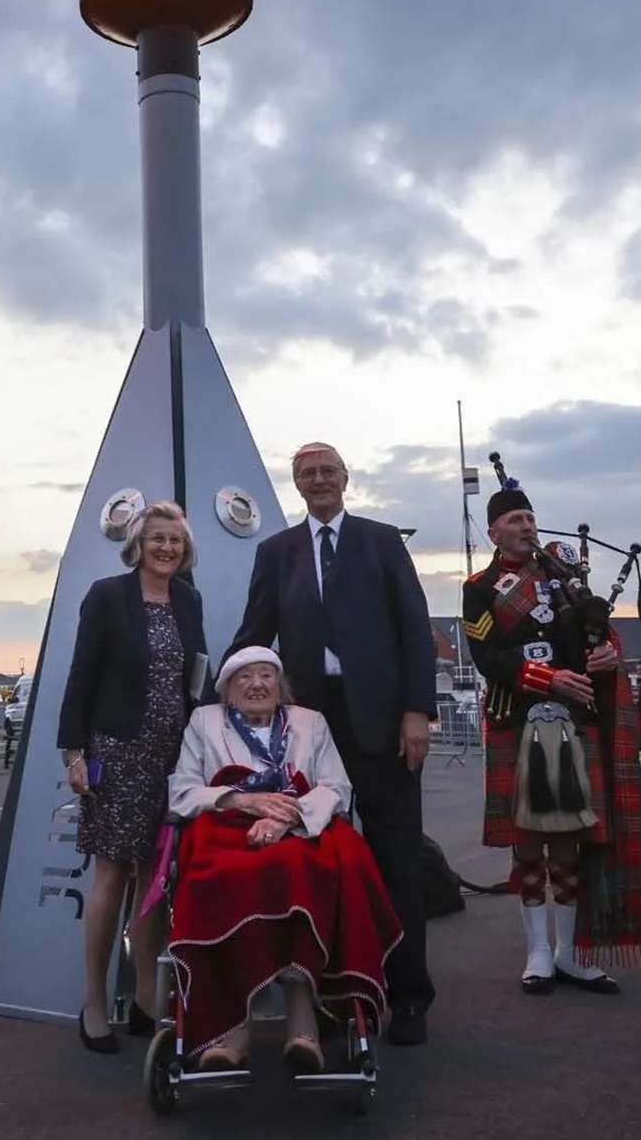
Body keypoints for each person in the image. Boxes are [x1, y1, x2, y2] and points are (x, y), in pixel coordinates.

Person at [223, 442, 436, 1045]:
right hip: (310, 733)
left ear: (346, 479)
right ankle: (335, 996)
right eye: (306, 474)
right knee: (321, 860)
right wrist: (216, 703)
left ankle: (411, 995)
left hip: (386, 726)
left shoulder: (382, 541)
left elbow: (415, 629)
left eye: (327, 471)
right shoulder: (277, 552)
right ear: (296, 485)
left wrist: (417, 710)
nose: (318, 480)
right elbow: (254, 634)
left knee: (398, 861)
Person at [463, 475, 641, 998]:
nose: (527, 526)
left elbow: (593, 633)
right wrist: (548, 678)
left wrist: (606, 654)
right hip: (519, 719)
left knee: (573, 840)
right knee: (530, 840)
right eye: (515, 520)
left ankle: (570, 954)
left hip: (576, 719)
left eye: (530, 518)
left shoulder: (563, 578)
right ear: (493, 533)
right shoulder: (479, 590)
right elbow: (489, 660)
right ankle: (537, 952)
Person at [167, 647, 401, 1069]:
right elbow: (182, 792)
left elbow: (336, 787)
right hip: (228, 827)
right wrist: (246, 801)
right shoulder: (205, 722)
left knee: (307, 868)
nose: (256, 685)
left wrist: (285, 819)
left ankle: (302, 1020)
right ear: (227, 690)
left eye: (265, 676)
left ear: (280, 685)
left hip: (300, 828)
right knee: (224, 875)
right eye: (244, 678)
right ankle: (233, 1028)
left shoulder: (310, 722)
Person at [57, 501, 207, 1055]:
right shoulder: (105, 596)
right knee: (111, 878)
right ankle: (94, 1004)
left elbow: (198, 678)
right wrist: (73, 754)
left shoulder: (189, 600)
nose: (166, 548)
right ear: (138, 544)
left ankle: (147, 997)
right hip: (117, 756)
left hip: (173, 759)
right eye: (157, 539)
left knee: (156, 881)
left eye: (175, 541)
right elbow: (81, 678)